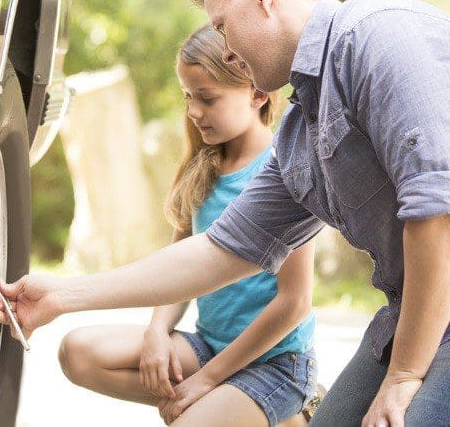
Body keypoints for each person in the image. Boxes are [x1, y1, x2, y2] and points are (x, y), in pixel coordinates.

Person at [0, 0, 450, 426]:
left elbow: (446, 211)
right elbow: (217, 252)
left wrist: (404, 376)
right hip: (423, 313)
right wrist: (64, 295)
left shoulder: (383, 36)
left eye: (223, 24)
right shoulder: (301, 133)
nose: (224, 48)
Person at [55, 24, 317, 426]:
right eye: (188, 97)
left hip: (276, 364)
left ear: (257, 94)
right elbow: (177, 269)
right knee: (78, 352)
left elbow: (295, 302)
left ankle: (281, 411)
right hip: (208, 349)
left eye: (208, 99)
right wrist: (157, 331)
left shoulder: (285, 170)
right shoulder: (203, 167)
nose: (194, 112)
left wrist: (208, 382)